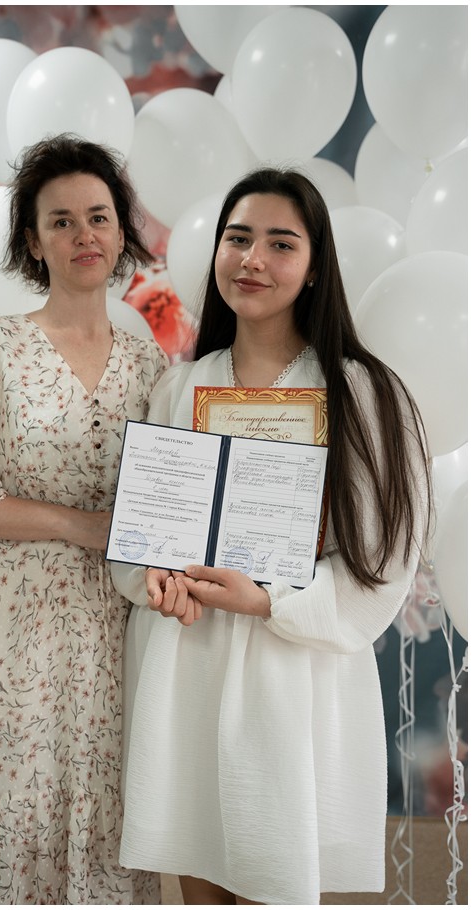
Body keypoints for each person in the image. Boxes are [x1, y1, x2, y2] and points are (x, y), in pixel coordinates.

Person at [111, 167, 432, 905]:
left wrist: (270, 601)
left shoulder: (360, 394)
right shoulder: (179, 387)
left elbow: (384, 561)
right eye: (238, 238)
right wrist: (155, 577)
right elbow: (141, 537)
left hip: (292, 673)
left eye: (281, 244)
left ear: (315, 267)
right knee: (193, 875)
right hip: (185, 664)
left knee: (275, 872)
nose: (252, 259)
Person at [0, 133, 168, 905]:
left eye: (98, 217)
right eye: (62, 221)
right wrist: (77, 525)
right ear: (33, 240)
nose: (84, 235)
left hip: (114, 627)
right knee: (8, 806)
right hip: (8, 626)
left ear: (120, 232)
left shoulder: (150, 363)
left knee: (101, 806)